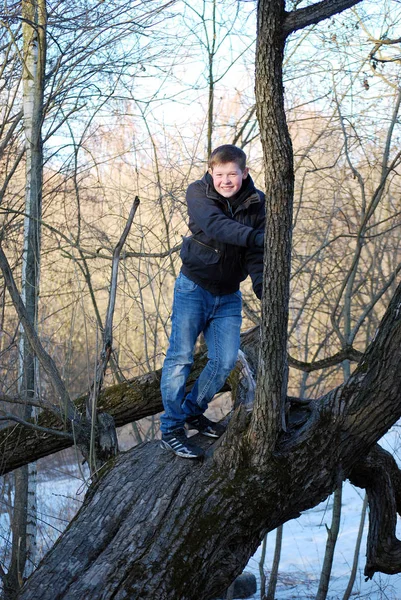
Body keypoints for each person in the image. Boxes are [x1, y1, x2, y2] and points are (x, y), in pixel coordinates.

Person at [160, 144, 265, 459]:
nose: (226, 181)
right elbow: (217, 227)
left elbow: (258, 256)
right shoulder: (198, 193)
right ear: (211, 173)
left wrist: (263, 288)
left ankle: (192, 411)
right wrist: (256, 237)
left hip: (229, 295)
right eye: (219, 174)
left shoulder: (258, 204)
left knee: (223, 361)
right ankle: (171, 430)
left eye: (232, 174)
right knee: (180, 359)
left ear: (244, 173)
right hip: (193, 288)